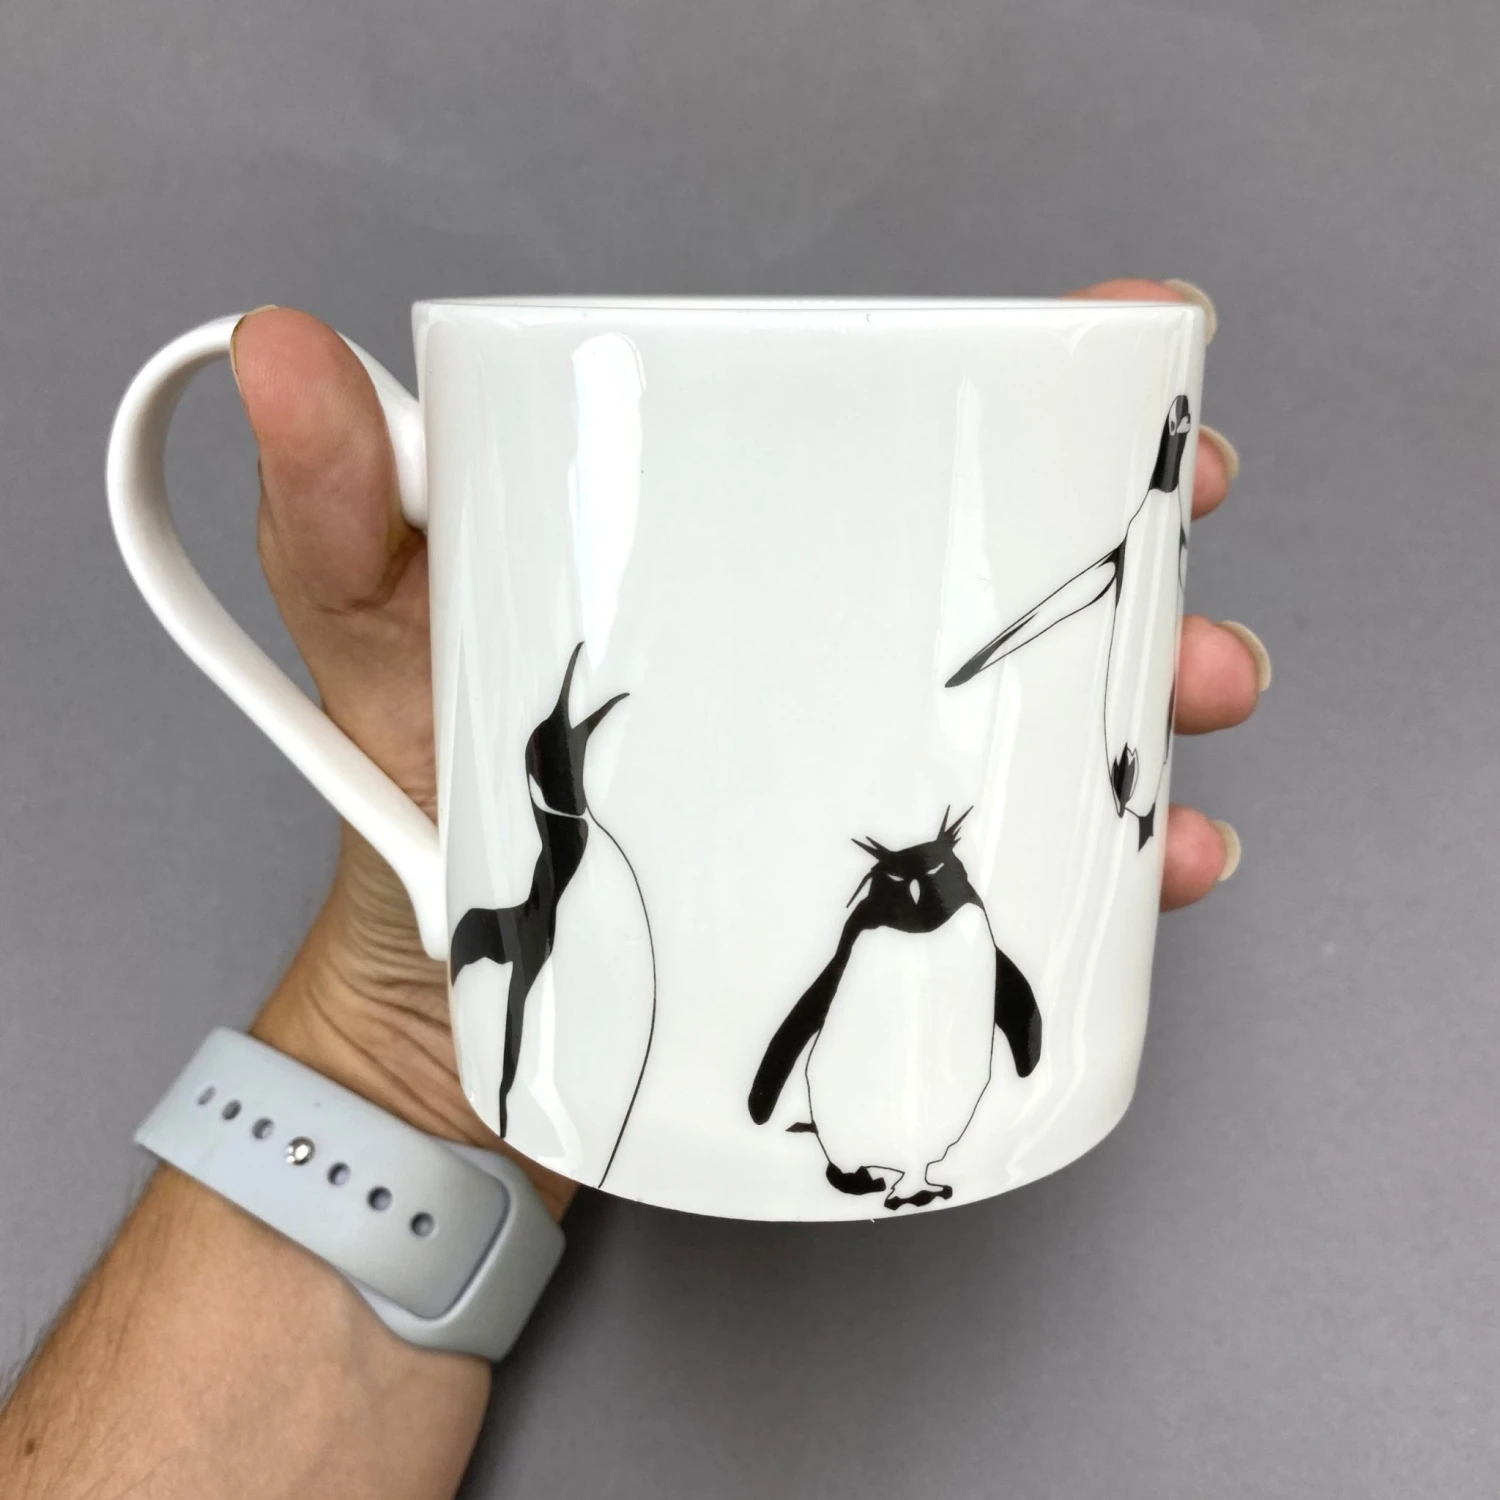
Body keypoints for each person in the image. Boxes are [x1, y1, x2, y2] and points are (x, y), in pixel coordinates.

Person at [0, 280, 1268, 1498]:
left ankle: (903, 1148)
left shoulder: (793, 898)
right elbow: (834, 1017)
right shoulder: (605, 860)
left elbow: (856, 1013)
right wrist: (432, 955)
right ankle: (870, 1149)